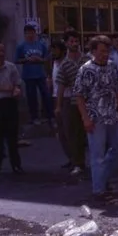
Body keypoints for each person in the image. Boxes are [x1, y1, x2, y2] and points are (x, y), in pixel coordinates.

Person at [74, 35, 118, 201]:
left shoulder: (112, 66)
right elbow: (79, 95)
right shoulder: (85, 69)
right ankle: (99, 190)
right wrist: (85, 118)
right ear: (93, 51)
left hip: (112, 114)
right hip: (95, 116)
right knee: (97, 155)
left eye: (107, 50)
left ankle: (104, 177)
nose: (106, 54)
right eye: (102, 51)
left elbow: (115, 89)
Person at [0, 43, 24, 176]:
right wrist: (2, 88)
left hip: (9, 103)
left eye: (2, 51)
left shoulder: (11, 67)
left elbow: (17, 83)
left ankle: (16, 165)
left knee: (12, 136)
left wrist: (17, 90)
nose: (1, 54)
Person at [58, 31, 88, 176]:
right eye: (71, 41)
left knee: (92, 133)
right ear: (66, 43)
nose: (75, 44)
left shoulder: (87, 59)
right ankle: (78, 163)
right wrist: (58, 106)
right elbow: (61, 86)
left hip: (90, 101)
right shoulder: (64, 64)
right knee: (74, 134)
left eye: (76, 41)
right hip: (73, 101)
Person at [16, 24, 51, 125]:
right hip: (28, 75)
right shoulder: (21, 46)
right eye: (28, 33)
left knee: (46, 95)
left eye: (32, 32)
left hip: (41, 74)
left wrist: (40, 59)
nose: (30, 35)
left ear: (35, 33)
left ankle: (49, 116)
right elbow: (16, 60)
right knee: (32, 97)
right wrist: (27, 59)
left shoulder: (41, 45)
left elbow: (47, 58)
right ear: (25, 34)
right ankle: (34, 117)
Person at [49, 40, 72, 168]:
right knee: (61, 132)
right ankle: (70, 157)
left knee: (68, 130)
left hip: (66, 99)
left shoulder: (66, 64)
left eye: (55, 49)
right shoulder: (54, 64)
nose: (53, 52)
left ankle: (76, 159)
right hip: (55, 97)